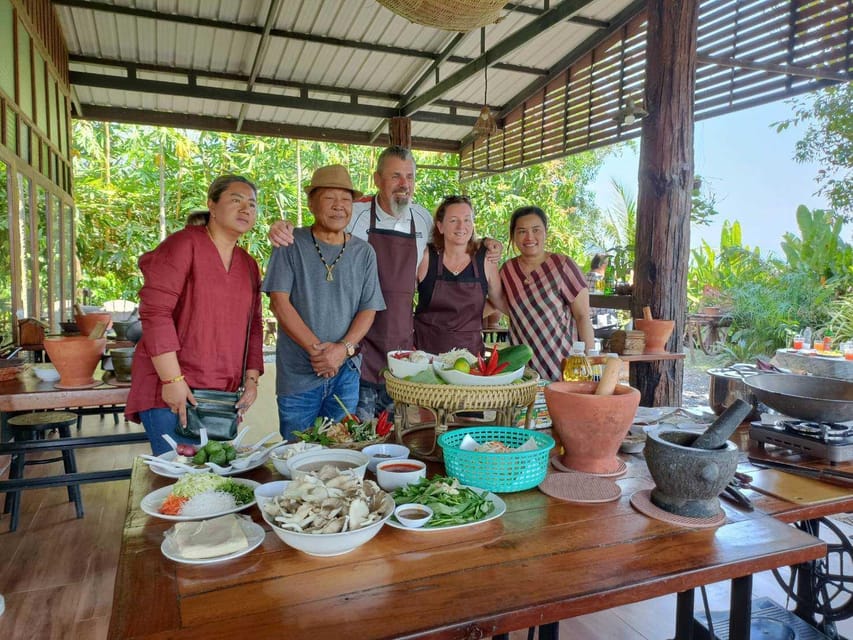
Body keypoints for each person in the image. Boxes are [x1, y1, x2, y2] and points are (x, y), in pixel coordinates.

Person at [268, 146, 503, 422]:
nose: (404, 184)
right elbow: (320, 228)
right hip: (360, 345)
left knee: (399, 436)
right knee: (357, 434)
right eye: (395, 177)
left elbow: (455, 236)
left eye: (410, 177)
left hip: (402, 347)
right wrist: (282, 227)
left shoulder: (423, 218)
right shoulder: (353, 212)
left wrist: (486, 244)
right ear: (377, 179)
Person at [126, 176, 265, 455]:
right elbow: (156, 312)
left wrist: (251, 382)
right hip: (173, 390)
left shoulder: (249, 265)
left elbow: (254, 327)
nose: (246, 209)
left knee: (213, 482)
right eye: (235, 200)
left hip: (219, 399)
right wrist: (172, 381)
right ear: (211, 205)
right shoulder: (183, 244)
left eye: (251, 204)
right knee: (181, 485)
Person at [263, 165, 385, 439]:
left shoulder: (364, 252)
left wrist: (341, 351)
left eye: (345, 199)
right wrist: (321, 354)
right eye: (330, 198)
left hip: (346, 374)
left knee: (342, 453)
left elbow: (369, 308)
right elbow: (279, 304)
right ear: (312, 203)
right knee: (297, 453)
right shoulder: (290, 244)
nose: (338, 206)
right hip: (298, 375)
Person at [497, 205, 595, 381]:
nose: (529, 237)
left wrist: (591, 364)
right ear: (513, 236)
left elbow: (582, 317)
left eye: (536, 230)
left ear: (545, 232)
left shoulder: (563, 265)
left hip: (564, 368)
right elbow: (498, 303)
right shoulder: (507, 271)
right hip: (522, 371)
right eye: (522, 231)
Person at [414, 195, 505, 355]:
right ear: (440, 226)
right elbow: (402, 300)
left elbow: (498, 300)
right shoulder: (425, 257)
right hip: (425, 356)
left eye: (467, 220)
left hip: (470, 358)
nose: (461, 226)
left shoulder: (486, 259)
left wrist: (529, 320)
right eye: (453, 220)